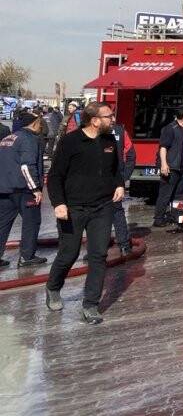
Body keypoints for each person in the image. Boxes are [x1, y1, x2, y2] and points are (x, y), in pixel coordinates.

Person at [45, 101, 125, 325]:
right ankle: (53, 287)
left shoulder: (109, 140)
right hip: (73, 208)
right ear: (95, 120)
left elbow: (114, 169)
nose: (113, 120)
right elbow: (55, 176)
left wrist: (119, 184)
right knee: (68, 254)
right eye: (109, 116)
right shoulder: (70, 141)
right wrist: (58, 203)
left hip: (102, 207)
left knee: (98, 255)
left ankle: (90, 305)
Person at [0, 109, 47, 268]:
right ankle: (27, 256)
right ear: (34, 123)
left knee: (3, 223)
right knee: (31, 222)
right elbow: (27, 166)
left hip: (5, 189)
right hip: (24, 189)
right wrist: (35, 189)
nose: (42, 126)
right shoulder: (29, 139)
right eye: (40, 122)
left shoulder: (8, 138)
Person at [152, 107, 183, 228]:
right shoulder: (170, 128)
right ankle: (158, 219)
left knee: (179, 194)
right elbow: (163, 147)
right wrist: (164, 164)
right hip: (171, 167)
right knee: (165, 194)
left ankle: (175, 217)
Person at [109, 117, 136, 254]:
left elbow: (131, 154)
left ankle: (122, 244)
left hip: (109, 181)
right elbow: (131, 155)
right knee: (115, 211)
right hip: (114, 181)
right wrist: (123, 177)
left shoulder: (119, 131)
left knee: (105, 213)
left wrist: (123, 177)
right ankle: (124, 245)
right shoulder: (120, 130)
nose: (113, 118)